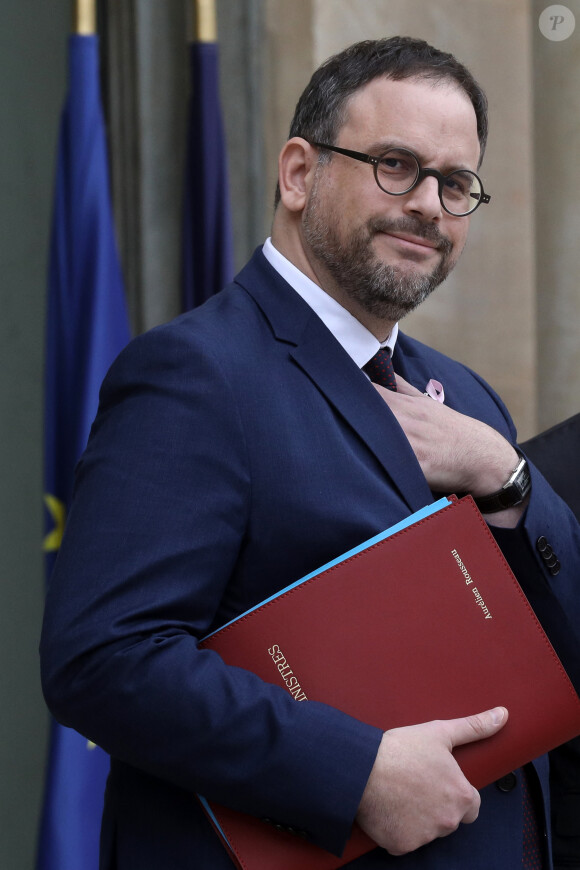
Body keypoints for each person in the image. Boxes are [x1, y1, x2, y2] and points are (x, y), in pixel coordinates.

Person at [40, 36, 580, 869]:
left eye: (456, 183)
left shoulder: (470, 401)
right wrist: (355, 773)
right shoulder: (196, 373)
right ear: (299, 173)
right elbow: (102, 659)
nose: (430, 204)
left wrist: (509, 480)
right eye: (396, 165)